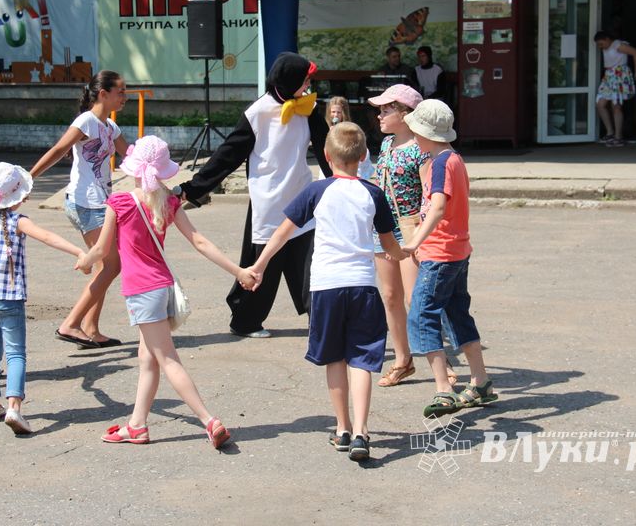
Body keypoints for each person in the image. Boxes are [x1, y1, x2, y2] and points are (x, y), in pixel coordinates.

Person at [76, 137, 257, 448]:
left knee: (168, 359)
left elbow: (101, 250)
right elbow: (200, 242)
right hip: (162, 287)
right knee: (148, 358)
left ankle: (208, 420)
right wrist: (238, 271)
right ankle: (137, 425)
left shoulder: (118, 203)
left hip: (141, 291)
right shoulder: (169, 201)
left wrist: (85, 261)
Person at [247, 122, 405, 461]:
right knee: (362, 358)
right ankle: (363, 431)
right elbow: (390, 245)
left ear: (328, 156)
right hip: (362, 285)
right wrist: (406, 252)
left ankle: (343, 428)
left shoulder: (316, 191)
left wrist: (258, 266)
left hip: (326, 287)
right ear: (364, 157)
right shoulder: (373, 193)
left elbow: (281, 233)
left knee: (334, 357)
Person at [178, 52, 332, 338]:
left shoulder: (308, 108)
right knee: (265, 267)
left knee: (310, 262)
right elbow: (228, 155)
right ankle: (245, 321)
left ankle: (320, 320)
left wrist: (342, 182)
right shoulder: (257, 113)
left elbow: (327, 149)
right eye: (305, 78)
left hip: (302, 197)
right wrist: (191, 188)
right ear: (289, 81)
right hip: (269, 202)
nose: (309, 82)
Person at [0, 162, 89, 435]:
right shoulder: (18, 221)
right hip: (9, 299)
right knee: (15, 353)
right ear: (17, 196)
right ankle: (14, 408)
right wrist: (78, 252)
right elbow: (48, 237)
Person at [400, 100, 497, 419]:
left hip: (440, 253)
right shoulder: (453, 158)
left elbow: (439, 207)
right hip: (457, 251)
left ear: (422, 133)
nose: (413, 136)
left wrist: (415, 241)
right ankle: (480, 381)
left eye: (414, 131)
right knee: (457, 314)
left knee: (422, 315)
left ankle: (443, 388)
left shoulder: (441, 163)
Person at [30, 70, 129, 348]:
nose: (124, 97)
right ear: (103, 94)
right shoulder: (86, 121)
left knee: (104, 265)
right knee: (111, 264)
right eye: (120, 91)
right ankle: (71, 324)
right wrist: (28, 179)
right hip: (85, 202)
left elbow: (131, 156)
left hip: (101, 202)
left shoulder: (110, 127)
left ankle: (90, 327)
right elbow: (59, 150)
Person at [366, 84, 456, 388]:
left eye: (386, 109)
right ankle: (403, 360)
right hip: (383, 228)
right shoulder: (386, 144)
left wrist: (420, 232)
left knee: (414, 298)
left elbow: (429, 195)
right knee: (390, 297)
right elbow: (379, 181)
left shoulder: (421, 151)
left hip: (409, 228)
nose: (379, 115)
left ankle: (441, 363)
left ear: (406, 114)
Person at [594, 31, 636, 147]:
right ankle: (610, 133)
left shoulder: (617, 44)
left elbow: (635, 52)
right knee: (600, 103)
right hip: (609, 75)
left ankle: (618, 137)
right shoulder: (608, 46)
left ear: (607, 39)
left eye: (601, 43)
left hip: (619, 74)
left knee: (616, 105)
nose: (600, 47)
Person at [325, 96, 372, 180]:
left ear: (344, 113)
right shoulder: (324, 129)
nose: (335, 115)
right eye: (333, 112)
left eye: (339, 112)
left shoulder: (350, 129)